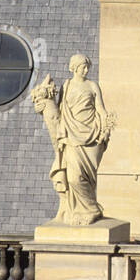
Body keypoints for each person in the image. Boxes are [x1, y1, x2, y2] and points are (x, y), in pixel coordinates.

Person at [32, 54, 113, 226]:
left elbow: (101, 109)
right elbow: (60, 114)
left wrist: (106, 128)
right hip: (71, 135)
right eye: (83, 67)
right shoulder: (67, 86)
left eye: (87, 67)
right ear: (74, 68)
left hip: (92, 136)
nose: (86, 70)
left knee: (88, 178)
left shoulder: (92, 86)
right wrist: (44, 107)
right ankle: (88, 209)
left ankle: (88, 211)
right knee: (73, 177)